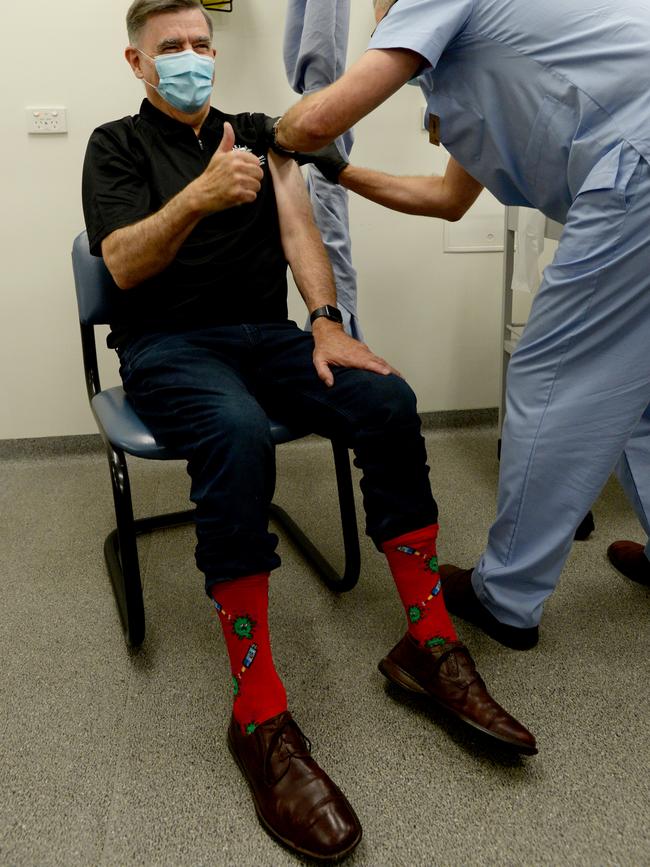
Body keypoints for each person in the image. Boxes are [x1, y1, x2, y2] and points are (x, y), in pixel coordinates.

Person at [82, 0, 536, 860]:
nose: (190, 59)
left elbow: (298, 228)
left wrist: (327, 319)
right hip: (168, 347)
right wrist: (199, 196)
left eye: (200, 46)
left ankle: (428, 640)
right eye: (169, 48)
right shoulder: (115, 145)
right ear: (137, 64)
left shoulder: (259, 132)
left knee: (387, 401)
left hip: (269, 337)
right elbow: (122, 263)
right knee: (238, 432)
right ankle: (257, 714)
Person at [272, 0, 650, 652]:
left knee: (549, 375)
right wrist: (338, 170)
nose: (378, 14)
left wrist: (272, 134)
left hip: (636, 170)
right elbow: (447, 201)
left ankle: (505, 596)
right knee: (638, 392)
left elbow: (325, 115)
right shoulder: (483, 65)